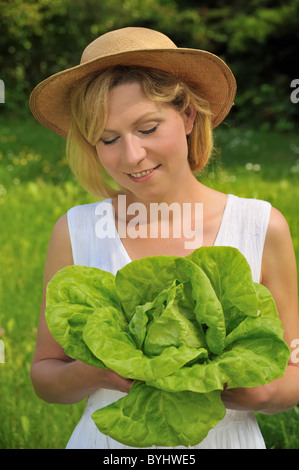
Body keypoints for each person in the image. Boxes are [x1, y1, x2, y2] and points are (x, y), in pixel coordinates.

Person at [29, 26, 299, 449]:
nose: (132, 155)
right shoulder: (77, 230)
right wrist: (94, 373)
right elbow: (45, 375)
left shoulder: (260, 226)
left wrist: (258, 392)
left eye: (148, 128)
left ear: (189, 116)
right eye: (109, 139)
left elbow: (292, 367)